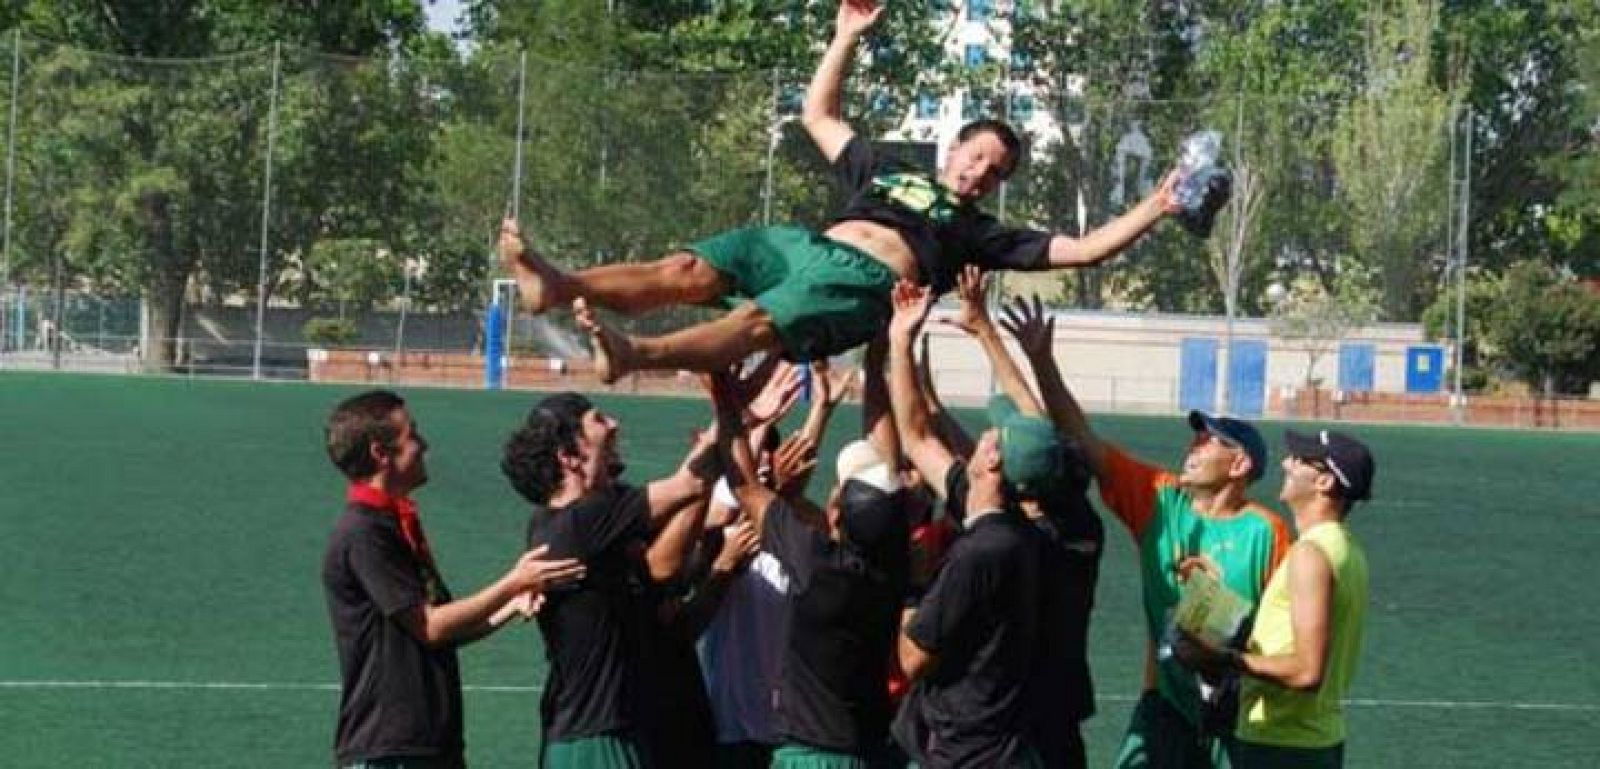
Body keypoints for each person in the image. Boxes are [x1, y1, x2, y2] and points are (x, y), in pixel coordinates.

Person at [500, 0, 1181, 383]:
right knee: (683, 270)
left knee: (756, 325)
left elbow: (1086, 249)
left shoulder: (982, 233)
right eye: (977, 156)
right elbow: (818, 115)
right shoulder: (885, 168)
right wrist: (845, 36)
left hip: (863, 283)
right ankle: (557, 286)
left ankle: (635, 354)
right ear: (956, 149)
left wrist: (1157, 204)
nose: (980, 173)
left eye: (995, 172)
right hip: (804, 247)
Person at [1024, 338, 1293, 768]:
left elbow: (1286, 628)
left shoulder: (1267, 533)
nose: (1193, 447)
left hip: (1235, 716)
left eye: (1209, 442)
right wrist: (1041, 359)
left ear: (1240, 465)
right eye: (1195, 439)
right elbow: (1082, 438)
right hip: (1165, 709)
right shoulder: (1160, 499)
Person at [320, 389, 586, 769]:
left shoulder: (393, 524)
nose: (423, 445)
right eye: (412, 435)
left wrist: (510, 605)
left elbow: (444, 629)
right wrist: (514, 581)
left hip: (424, 744)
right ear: (381, 453)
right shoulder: (363, 532)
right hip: (391, 749)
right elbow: (431, 627)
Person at [499, 391, 725, 768]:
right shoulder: (585, 520)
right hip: (596, 743)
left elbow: (667, 553)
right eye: (599, 420)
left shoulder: (565, 522)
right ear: (568, 455)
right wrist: (730, 408)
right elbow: (690, 484)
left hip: (590, 734)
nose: (614, 424)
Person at [708, 353, 912, 769]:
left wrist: (726, 401)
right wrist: (880, 355)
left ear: (835, 513)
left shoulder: (818, 566)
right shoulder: (897, 566)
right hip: (868, 749)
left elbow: (748, 488)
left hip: (807, 753)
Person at [938, 266, 1105, 769]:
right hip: (1058, 723)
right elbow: (1038, 432)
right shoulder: (1081, 532)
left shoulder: (1001, 531)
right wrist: (989, 332)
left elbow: (924, 435)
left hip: (1004, 730)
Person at [884, 280, 1044, 768]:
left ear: (992, 463)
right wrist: (900, 342)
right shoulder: (1017, 529)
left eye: (993, 435)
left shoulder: (980, 552)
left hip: (968, 756)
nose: (981, 434)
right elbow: (915, 436)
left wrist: (912, 588)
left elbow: (912, 657)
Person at [1177, 430, 1375, 769]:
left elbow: (1306, 671)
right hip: (1310, 740)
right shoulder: (1345, 549)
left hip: (1281, 746)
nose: (1287, 462)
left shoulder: (1310, 555)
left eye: (1300, 458)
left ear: (1324, 482)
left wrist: (1226, 659)